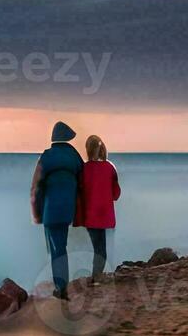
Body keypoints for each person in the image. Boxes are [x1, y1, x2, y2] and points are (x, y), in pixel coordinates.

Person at [30, 121, 84, 299]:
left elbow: (36, 189)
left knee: (56, 248)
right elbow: (83, 180)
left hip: (50, 211)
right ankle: (61, 284)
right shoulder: (74, 156)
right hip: (68, 209)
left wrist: (37, 214)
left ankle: (61, 287)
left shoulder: (45, 157)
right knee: (61, 245)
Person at [76, 134, 121, 284]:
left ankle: (96, 277)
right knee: (101, 249)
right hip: (105, 214)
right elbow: (116, 194)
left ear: (87, 150)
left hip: (90, 215)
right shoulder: (110, 168)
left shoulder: (83, 169)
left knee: (97, 248)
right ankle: (97, 277)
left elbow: (80, 191)